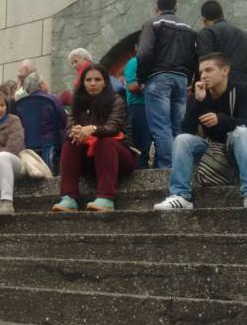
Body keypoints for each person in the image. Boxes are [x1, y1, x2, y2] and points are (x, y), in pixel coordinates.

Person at [154, 53, 247, 210]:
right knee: (182, 140)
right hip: (211, 150)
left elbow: (246, 124)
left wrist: (221, 119)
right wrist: (197, 101)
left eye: (209, 70)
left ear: (225, 70)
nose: (203, 76)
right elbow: (186, 131)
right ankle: (181, 196)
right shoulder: (198, 96)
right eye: (201, 72)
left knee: (242, 132)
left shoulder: (242, 89)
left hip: (238, 145)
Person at [52, 65, 138, 213]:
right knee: (70, 144)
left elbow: (114, 127)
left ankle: (106, 198)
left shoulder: (116, 100)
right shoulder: (76, 103)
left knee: (104, 142)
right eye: (88, 80)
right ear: (83, 83)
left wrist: (93, 129)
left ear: (105, 82)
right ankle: (69, 198)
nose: (93, 83)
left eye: (97, 79)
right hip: (89, 158)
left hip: (119, 155)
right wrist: (75, 131)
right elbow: (69, 128)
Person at [137, 0, 198, 168]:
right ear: (176, 6)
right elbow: (196, 56)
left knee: (161, 126)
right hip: (181, 79)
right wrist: (189, 79)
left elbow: (144, 53)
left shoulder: (153, 23)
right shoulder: (189, 28)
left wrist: (142, 78)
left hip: (158, 78)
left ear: (157, 8)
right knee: (179, 126)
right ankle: (183, 165)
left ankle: (169, 168)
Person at [197, 0, 247, 83]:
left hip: (219, 88)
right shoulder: (245, 36)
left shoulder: (207, 33)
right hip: (242, 88)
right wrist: (243, 81)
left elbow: (206, 63)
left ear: (204, 20)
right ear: (221, 15)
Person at [23, 71, 67, 172]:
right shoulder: (52, 99)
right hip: (50, 143)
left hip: (28, 144)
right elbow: (64, 122)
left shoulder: (23, 103)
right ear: (41, 84)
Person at [123, 56, 152, 168]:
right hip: (138, 106)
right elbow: (132, 86)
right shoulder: (134, 62)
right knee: (140, 145)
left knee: (146, 144)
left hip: (151, 106)